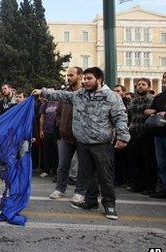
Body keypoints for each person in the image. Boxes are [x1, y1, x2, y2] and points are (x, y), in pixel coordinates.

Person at [32, 67, 130, 220]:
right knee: (87, 175)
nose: (85, 81)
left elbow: (120, 117)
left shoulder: (111, 96)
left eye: (89, 78)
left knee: (105, 176)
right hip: (83, 142)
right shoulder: (79, 95)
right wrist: (43, 91)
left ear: (99, 80)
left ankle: (109, 205)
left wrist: (123, 137)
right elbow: (62, 95)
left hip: (102, 144)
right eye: (84, 78)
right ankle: (91, 201)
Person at [49, 67, 85, 204]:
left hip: (82, 137)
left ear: (80, 76)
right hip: (65, 136)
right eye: (67, 75)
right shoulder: (65, 94)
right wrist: (60, 124)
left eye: (71, 75)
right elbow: (58, 113)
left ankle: (80, 192)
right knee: (63, 164)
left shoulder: (85, 94)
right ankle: (60, 189)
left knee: (82, 166)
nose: (68, 77)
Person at [126, 78, 157, 195]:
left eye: (143, 84)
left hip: (147, 133)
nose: (140, 86)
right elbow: (129, 117)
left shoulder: (152, 99)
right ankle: (135, 185)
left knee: (148, 161)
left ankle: (149, 186)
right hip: (133, 132)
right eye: (138, 84)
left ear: (148, 87)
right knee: (134, 160)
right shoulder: (132, 101)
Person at [145, 77, 166, 199]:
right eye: (165, 78)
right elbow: (151, 109)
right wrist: (152, 112)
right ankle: (164, 188)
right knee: (161, 164)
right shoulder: (159, 96)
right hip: (159, 134)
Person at [38, 87, 59, 178]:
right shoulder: (45, 104)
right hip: (46, 130)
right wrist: (41, 130)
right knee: (46, 151)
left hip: (56, 131)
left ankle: (56, 171)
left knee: (56, 152)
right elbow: (42, 118)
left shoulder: (59, 102)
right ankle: (46, 170)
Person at [112, 84, 129, 186]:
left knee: (123, 159)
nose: (116, 93)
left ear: (123, 92)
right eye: (114, 91)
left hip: (124, 135)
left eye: (118, 91)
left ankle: (122, 179)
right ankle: (116, 179)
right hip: (113, 135)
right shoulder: (111, 103)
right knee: (114, 159)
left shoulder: (128, 103)